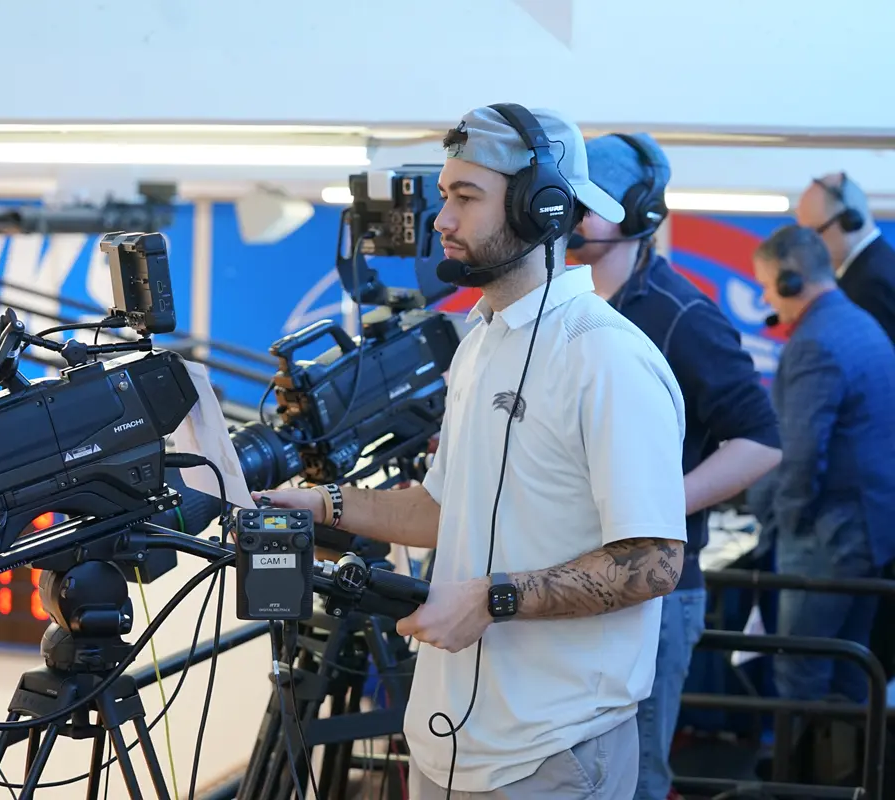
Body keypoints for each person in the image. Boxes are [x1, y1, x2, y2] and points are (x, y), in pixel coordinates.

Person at [257, 103, 688, 799]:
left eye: (465, 198)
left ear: (542, 208)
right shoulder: (482, 339)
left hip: (552, 751)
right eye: (444, 196)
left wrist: (496, 598)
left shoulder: (606, 358)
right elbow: (439, 509)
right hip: (448, 740)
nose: (441, 219)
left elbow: (655, 561)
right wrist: (326, 504)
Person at [571, 133, 783, 800]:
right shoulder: (572, 309)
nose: (567, 214)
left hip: (657, 594)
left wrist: (653, 500)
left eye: (587, 202)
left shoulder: (680, 315)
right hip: (577, 579)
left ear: (637, 212)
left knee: (635, 778)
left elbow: (761, 439)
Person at [752, 224, 895, 703]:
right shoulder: (862, 324)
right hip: (870, 533)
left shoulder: (814, 342)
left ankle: (800, 777)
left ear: (791, 282)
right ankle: (852, 777)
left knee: (801, 672)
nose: (767, 297)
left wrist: (784, 526)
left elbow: (801, 453)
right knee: (850, 670)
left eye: (769, 285)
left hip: (826, 541)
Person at [794, 172, 895, 342]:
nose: (811, 247)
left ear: (849, 222)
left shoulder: (869, 284)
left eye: (814, 234)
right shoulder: (878, 263)